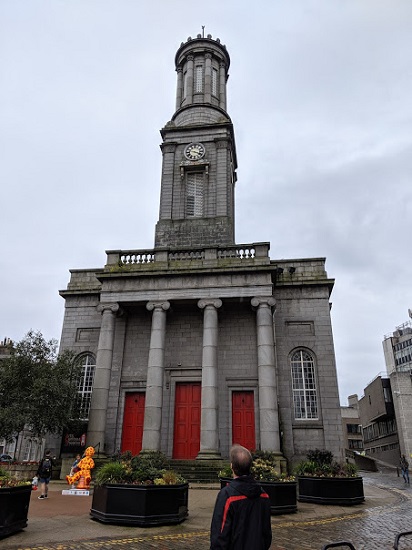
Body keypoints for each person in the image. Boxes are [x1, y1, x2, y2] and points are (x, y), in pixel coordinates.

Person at [210, 444, 272, 549]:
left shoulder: (227, 496)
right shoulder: (263, 495)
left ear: (231, 466)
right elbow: (266, 533)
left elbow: (219, 537)